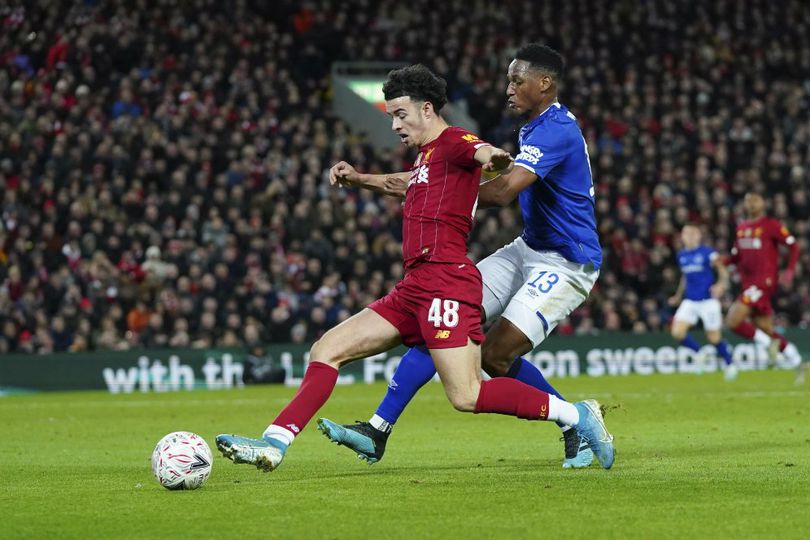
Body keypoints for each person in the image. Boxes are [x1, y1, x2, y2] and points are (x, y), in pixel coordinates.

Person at [215, 64, 614, 473]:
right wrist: (358, 179)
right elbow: (401, 183)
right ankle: (273, 444)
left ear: (427, 109)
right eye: (390, 116)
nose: (394, 125)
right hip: (415, 285)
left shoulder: (456, 140)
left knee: (467, 395)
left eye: (400, 114)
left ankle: (576, 416)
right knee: (326, 350)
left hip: (447, 281)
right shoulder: (428, 160)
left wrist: (494, 158)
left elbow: (483, 153)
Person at [318, 44, 603, 469]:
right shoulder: (531, 128)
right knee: (440, 305)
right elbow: (431, 180)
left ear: (544, 83)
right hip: (528, 248)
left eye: (516, 80)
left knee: (495, 358)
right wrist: (365, 180)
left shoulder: (555, 130)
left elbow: (503, 191)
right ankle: (377, 429)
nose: (507, 89)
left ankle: (576, 422)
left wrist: (442, 194)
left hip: (567, 261)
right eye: (508, 79)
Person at [724, 192, 803, 379]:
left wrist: (790, 270)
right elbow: (736, 257)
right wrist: (722, 261)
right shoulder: (741, 228)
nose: (751, 203)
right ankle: (797, 361)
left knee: (732, 321)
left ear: (763, 204)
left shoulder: (771, 225)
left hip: (762, 283)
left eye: (755, 200)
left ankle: (767, 345)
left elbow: (794, 245)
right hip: (748, 284)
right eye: (747, 200)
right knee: (766, 329)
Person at [667, 224, 736, 380]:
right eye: (685, 233)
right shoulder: (681, 255)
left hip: (708, 301)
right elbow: (685, 277)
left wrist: (721, 285)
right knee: (677, 332)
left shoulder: (708, 252)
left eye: (692, 233)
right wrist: (678, 296)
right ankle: (699, 352)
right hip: (690, 301)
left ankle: (730, 364)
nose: (688, 236)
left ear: (698, 236)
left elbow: (723, 269)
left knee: (714, 338)